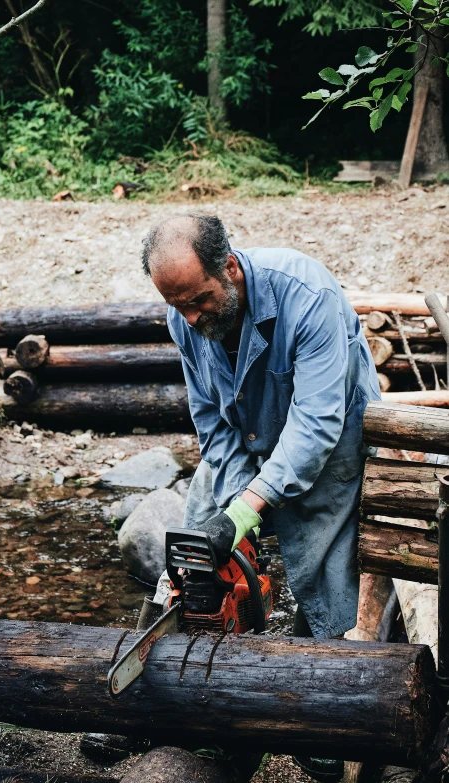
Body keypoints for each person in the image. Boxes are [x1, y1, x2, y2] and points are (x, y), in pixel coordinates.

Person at [140, 213, 380, 779]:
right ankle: (180, 684)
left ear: (228, 267)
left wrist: (249, 509)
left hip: (332, 439)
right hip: (246, 435)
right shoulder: (186, 316)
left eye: (199, 301)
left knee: (323, 570)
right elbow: (210, 418)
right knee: (193, 547)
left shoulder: (307, 294)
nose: (192, 318)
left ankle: (328, 714)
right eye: (179, 307)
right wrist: (226, 509)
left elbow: (316, 423)